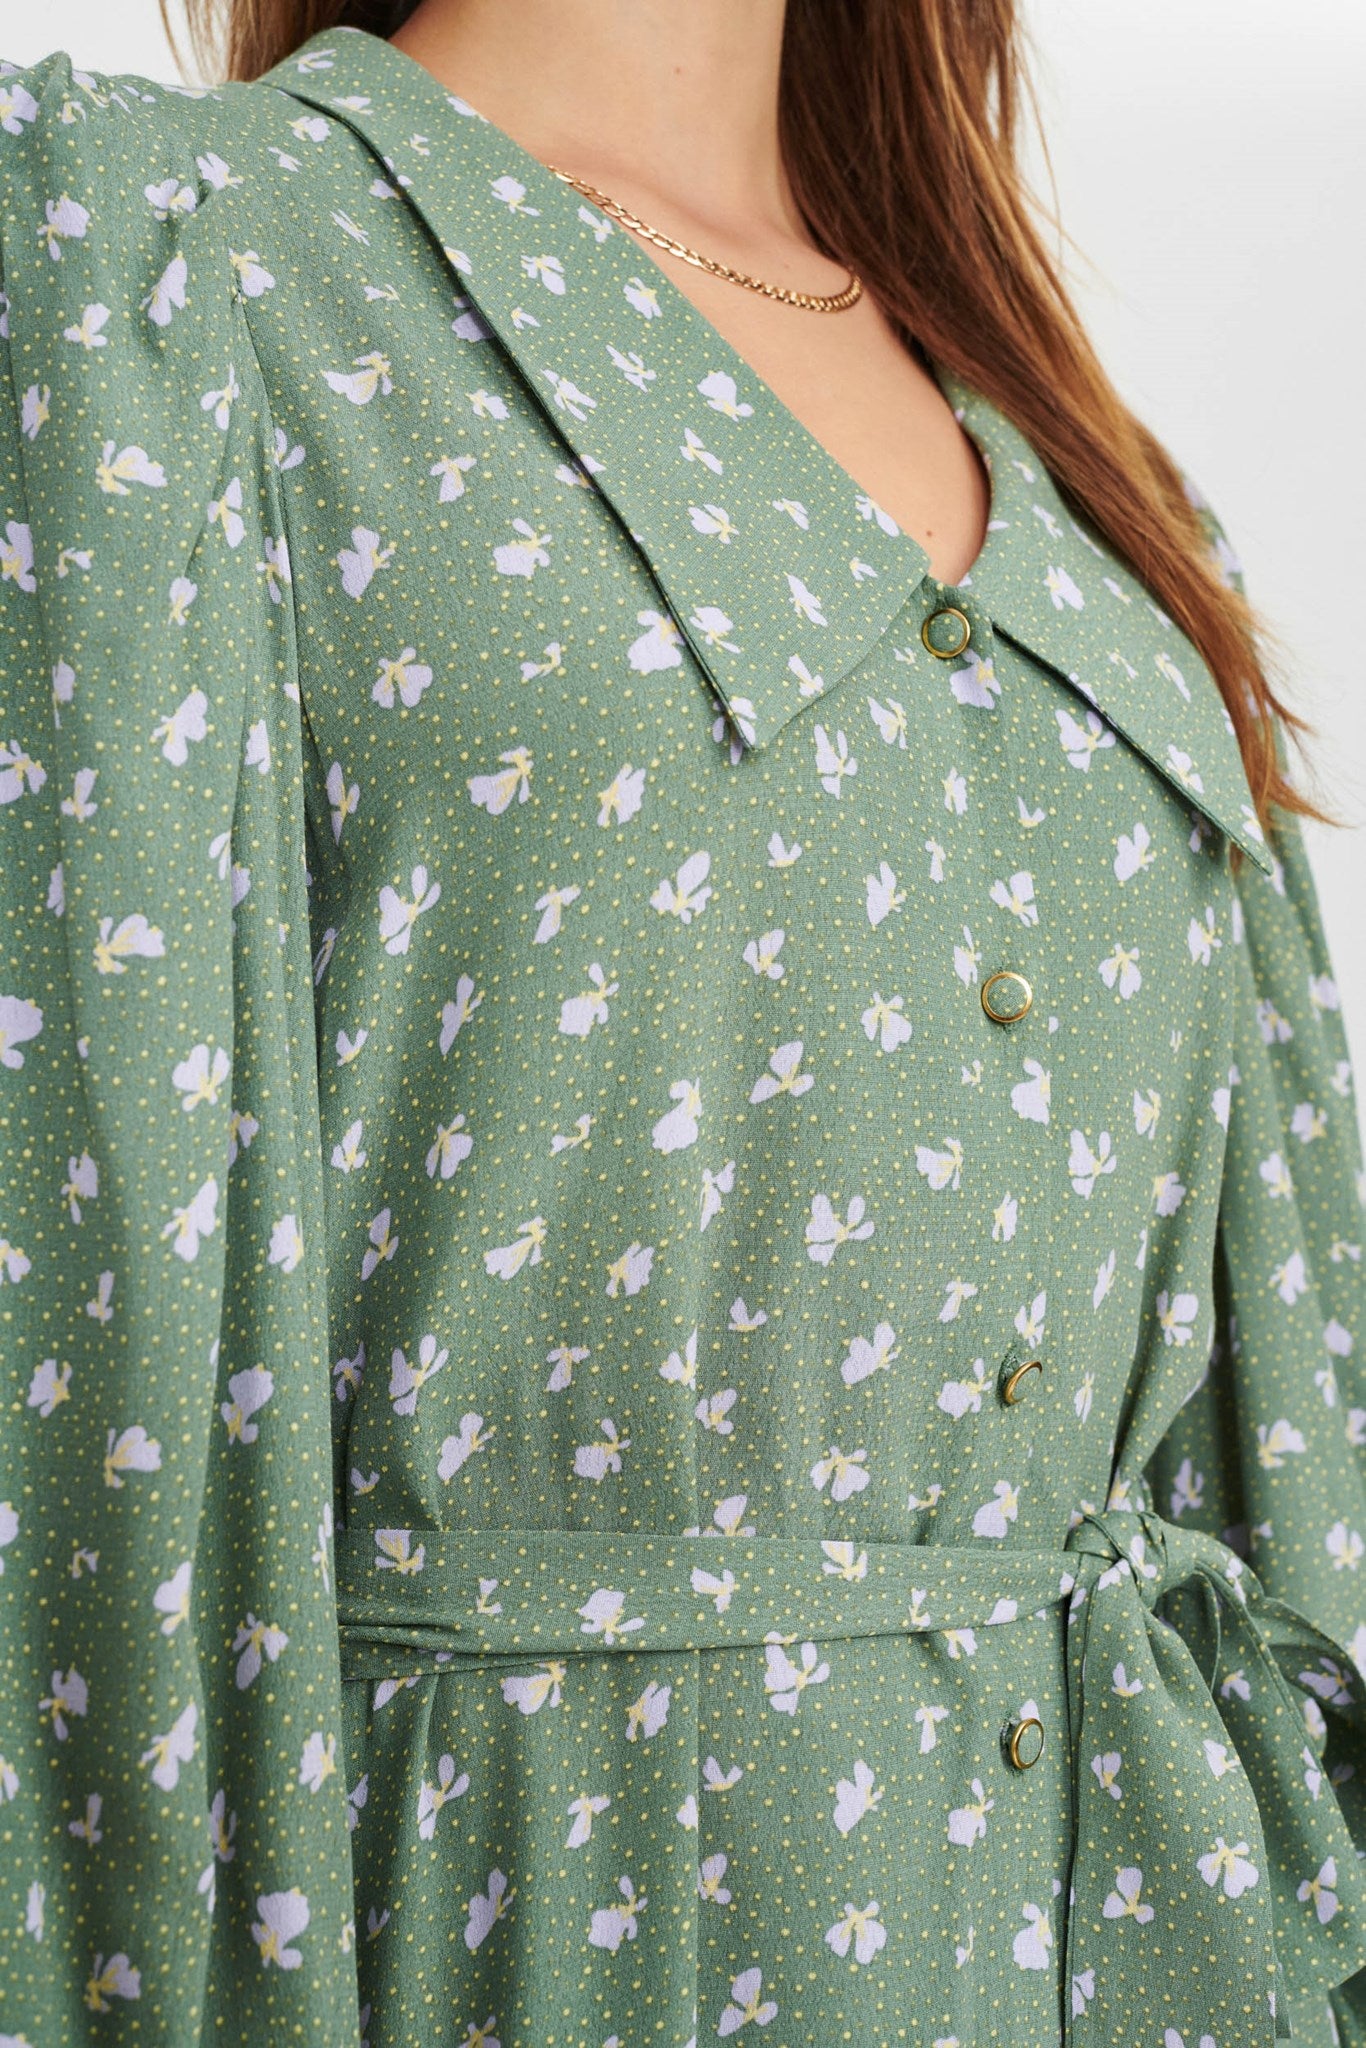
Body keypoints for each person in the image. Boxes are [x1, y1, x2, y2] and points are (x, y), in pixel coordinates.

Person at [0, 3, 1362, 2042]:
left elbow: (1285, 1409)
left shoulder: (1076, 454)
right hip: (566, 1932)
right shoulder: (172, 270)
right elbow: (73, 1373)